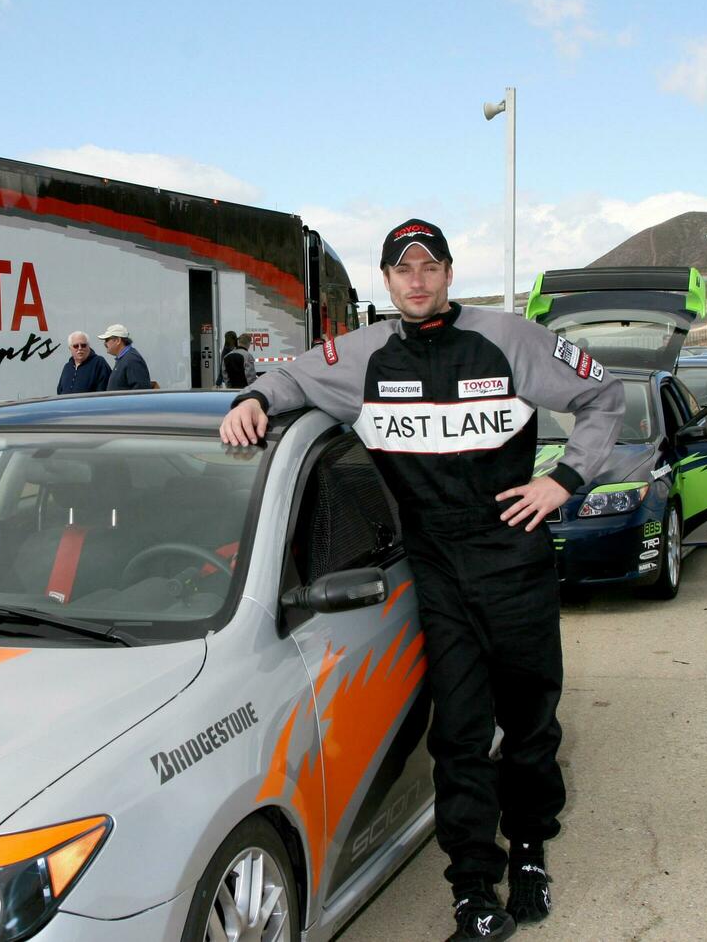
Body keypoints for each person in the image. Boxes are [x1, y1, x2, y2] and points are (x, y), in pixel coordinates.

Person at [220, 219, 623, 942]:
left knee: (530, 720)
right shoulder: (363, 354)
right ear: (385, 281)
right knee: (461, 733)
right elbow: (286, 376)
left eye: (429, 266)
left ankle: (530, 848)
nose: (417, 280)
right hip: (435, 569)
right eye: (403, 269)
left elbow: (603, 398)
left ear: (448, 272)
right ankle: (473, 886)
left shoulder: (510, 337)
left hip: (515, 559)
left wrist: (562, 481)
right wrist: (251, 401)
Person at [99, 323, 152, 390]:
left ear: (118, 341)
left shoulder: (132, 360)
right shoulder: (124, 359)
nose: (105, 344)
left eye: (107, 340)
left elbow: (140, 390)